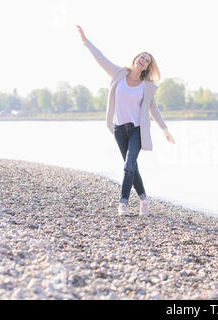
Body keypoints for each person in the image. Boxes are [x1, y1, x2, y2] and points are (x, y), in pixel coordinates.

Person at [76, 25, 176, 217]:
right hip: (119, 129)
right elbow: (101, 59)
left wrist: (165, 130)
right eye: (141, 57)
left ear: (147, 67)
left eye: (146, 60)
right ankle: (144, 200)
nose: (143, 60)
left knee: (129, 165)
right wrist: (85, 41)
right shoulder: (119, 74)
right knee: (131, 166)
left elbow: (153, 109)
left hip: (136, 131)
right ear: (135, 59)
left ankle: (123, 203)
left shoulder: (146, 87)